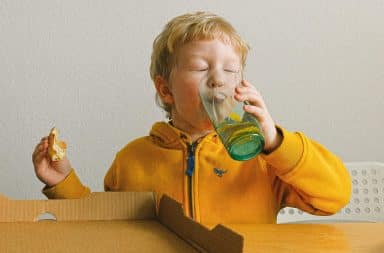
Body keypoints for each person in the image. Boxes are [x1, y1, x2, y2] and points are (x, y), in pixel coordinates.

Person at [32, 11, 351, 225]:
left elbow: (335, 196)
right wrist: (63, 181)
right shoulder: (132, 160)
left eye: (230, 70)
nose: (218, 80)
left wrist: (276, 142)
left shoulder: (262, 160)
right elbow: (102, 226)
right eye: (201, 68)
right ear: (166, 89)